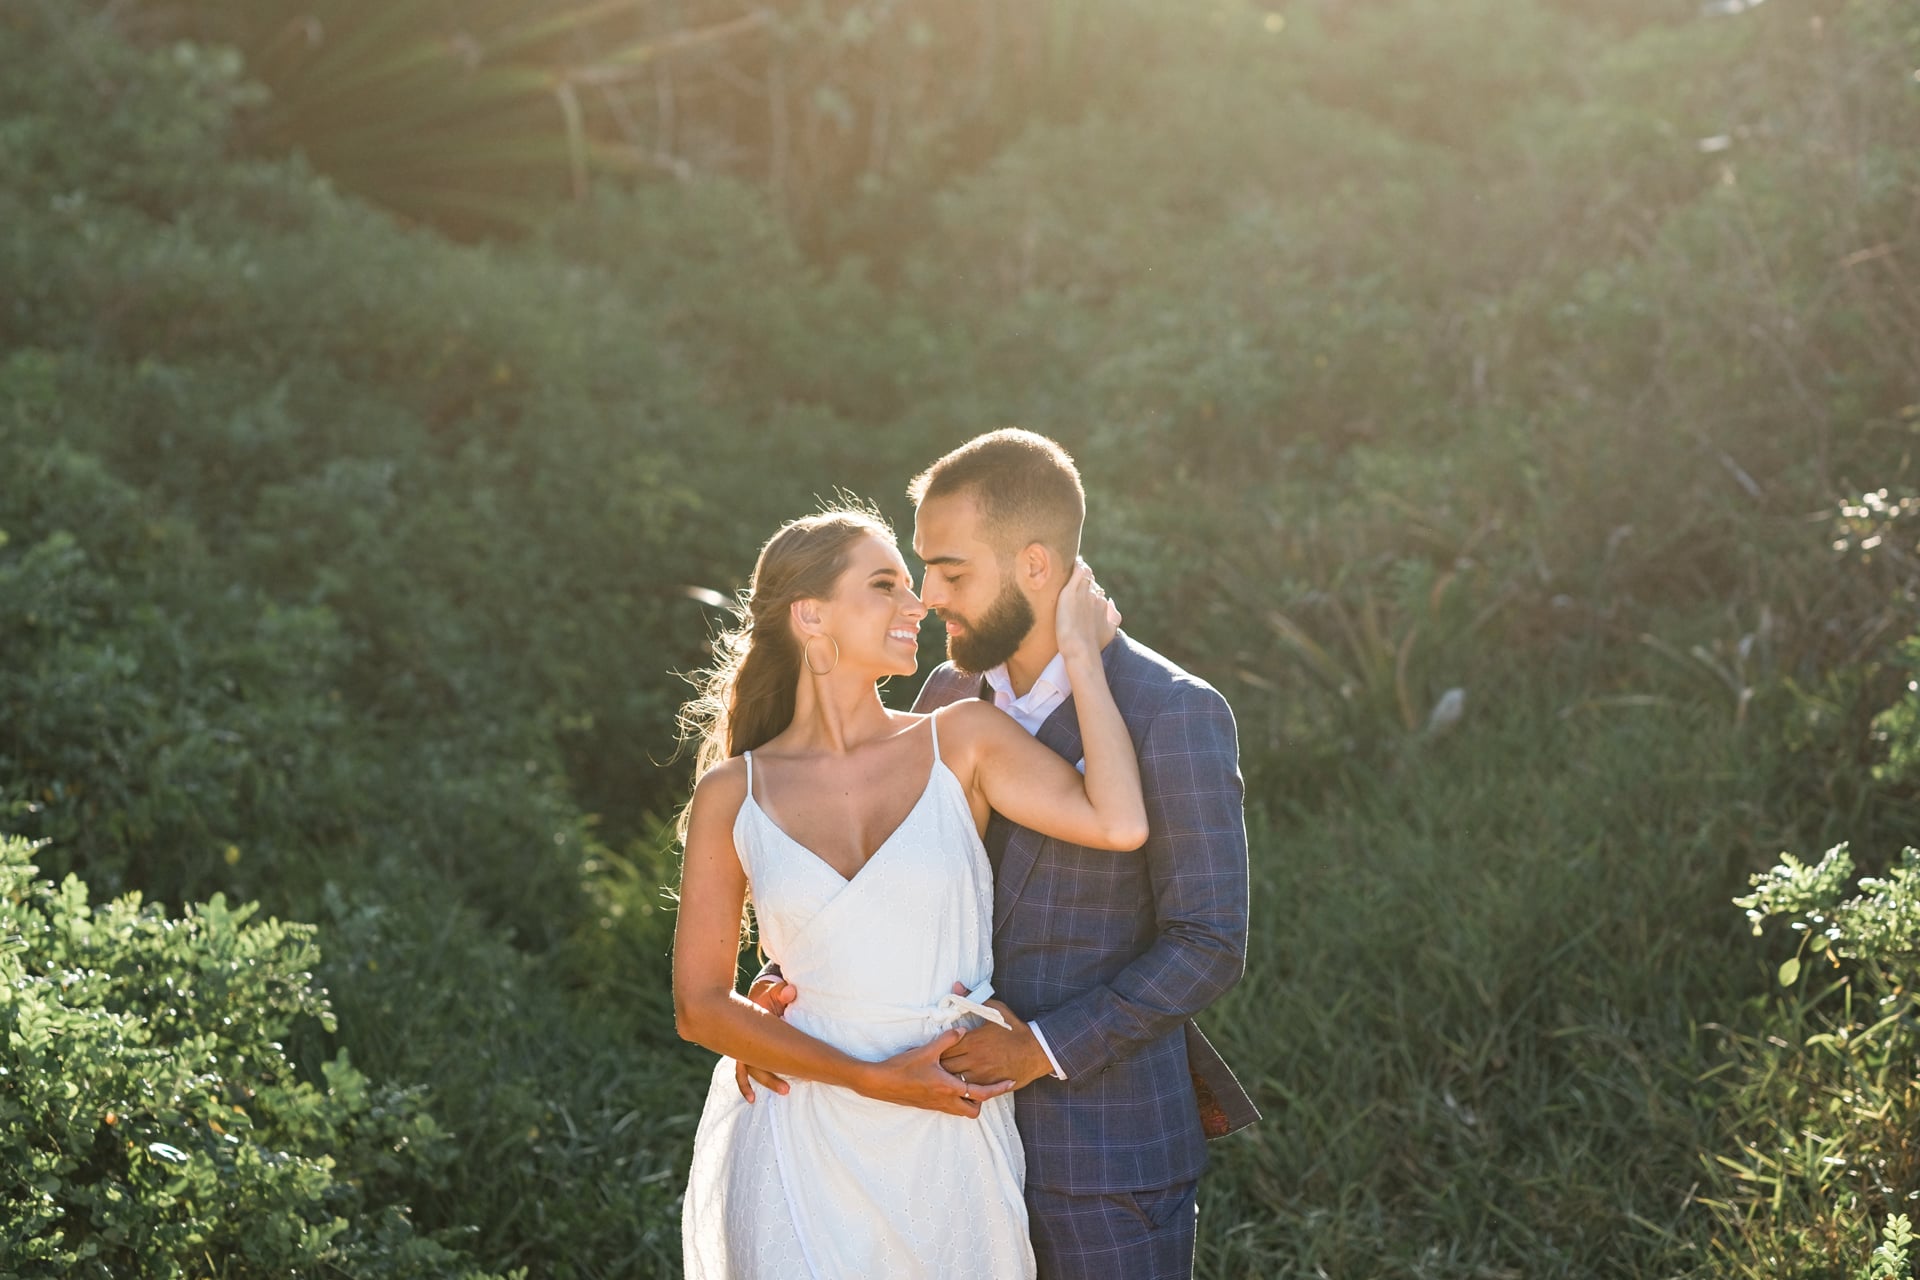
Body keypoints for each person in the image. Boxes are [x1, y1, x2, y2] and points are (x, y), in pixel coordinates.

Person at [740, 431, 1259, 1279]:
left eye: (951, 572)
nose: (928, 597)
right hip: (937, 1147)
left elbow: (1208, 942)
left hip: (1101, 1160)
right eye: (922, 571)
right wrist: (797, 988)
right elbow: (894, 880)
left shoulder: (1173, 713)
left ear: (1034, 565)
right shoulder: (946, 694)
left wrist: (1039, 1049)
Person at [674, 503, 1149, 1280]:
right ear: (811, 616)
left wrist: (1082, 656)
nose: (918, 602)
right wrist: (867, 1076)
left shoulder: (961, 738)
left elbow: (1119, 822)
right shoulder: (732, 792)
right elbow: (699, 1007)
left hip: (949, 1128)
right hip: (800, 1133)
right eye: (885, 584)